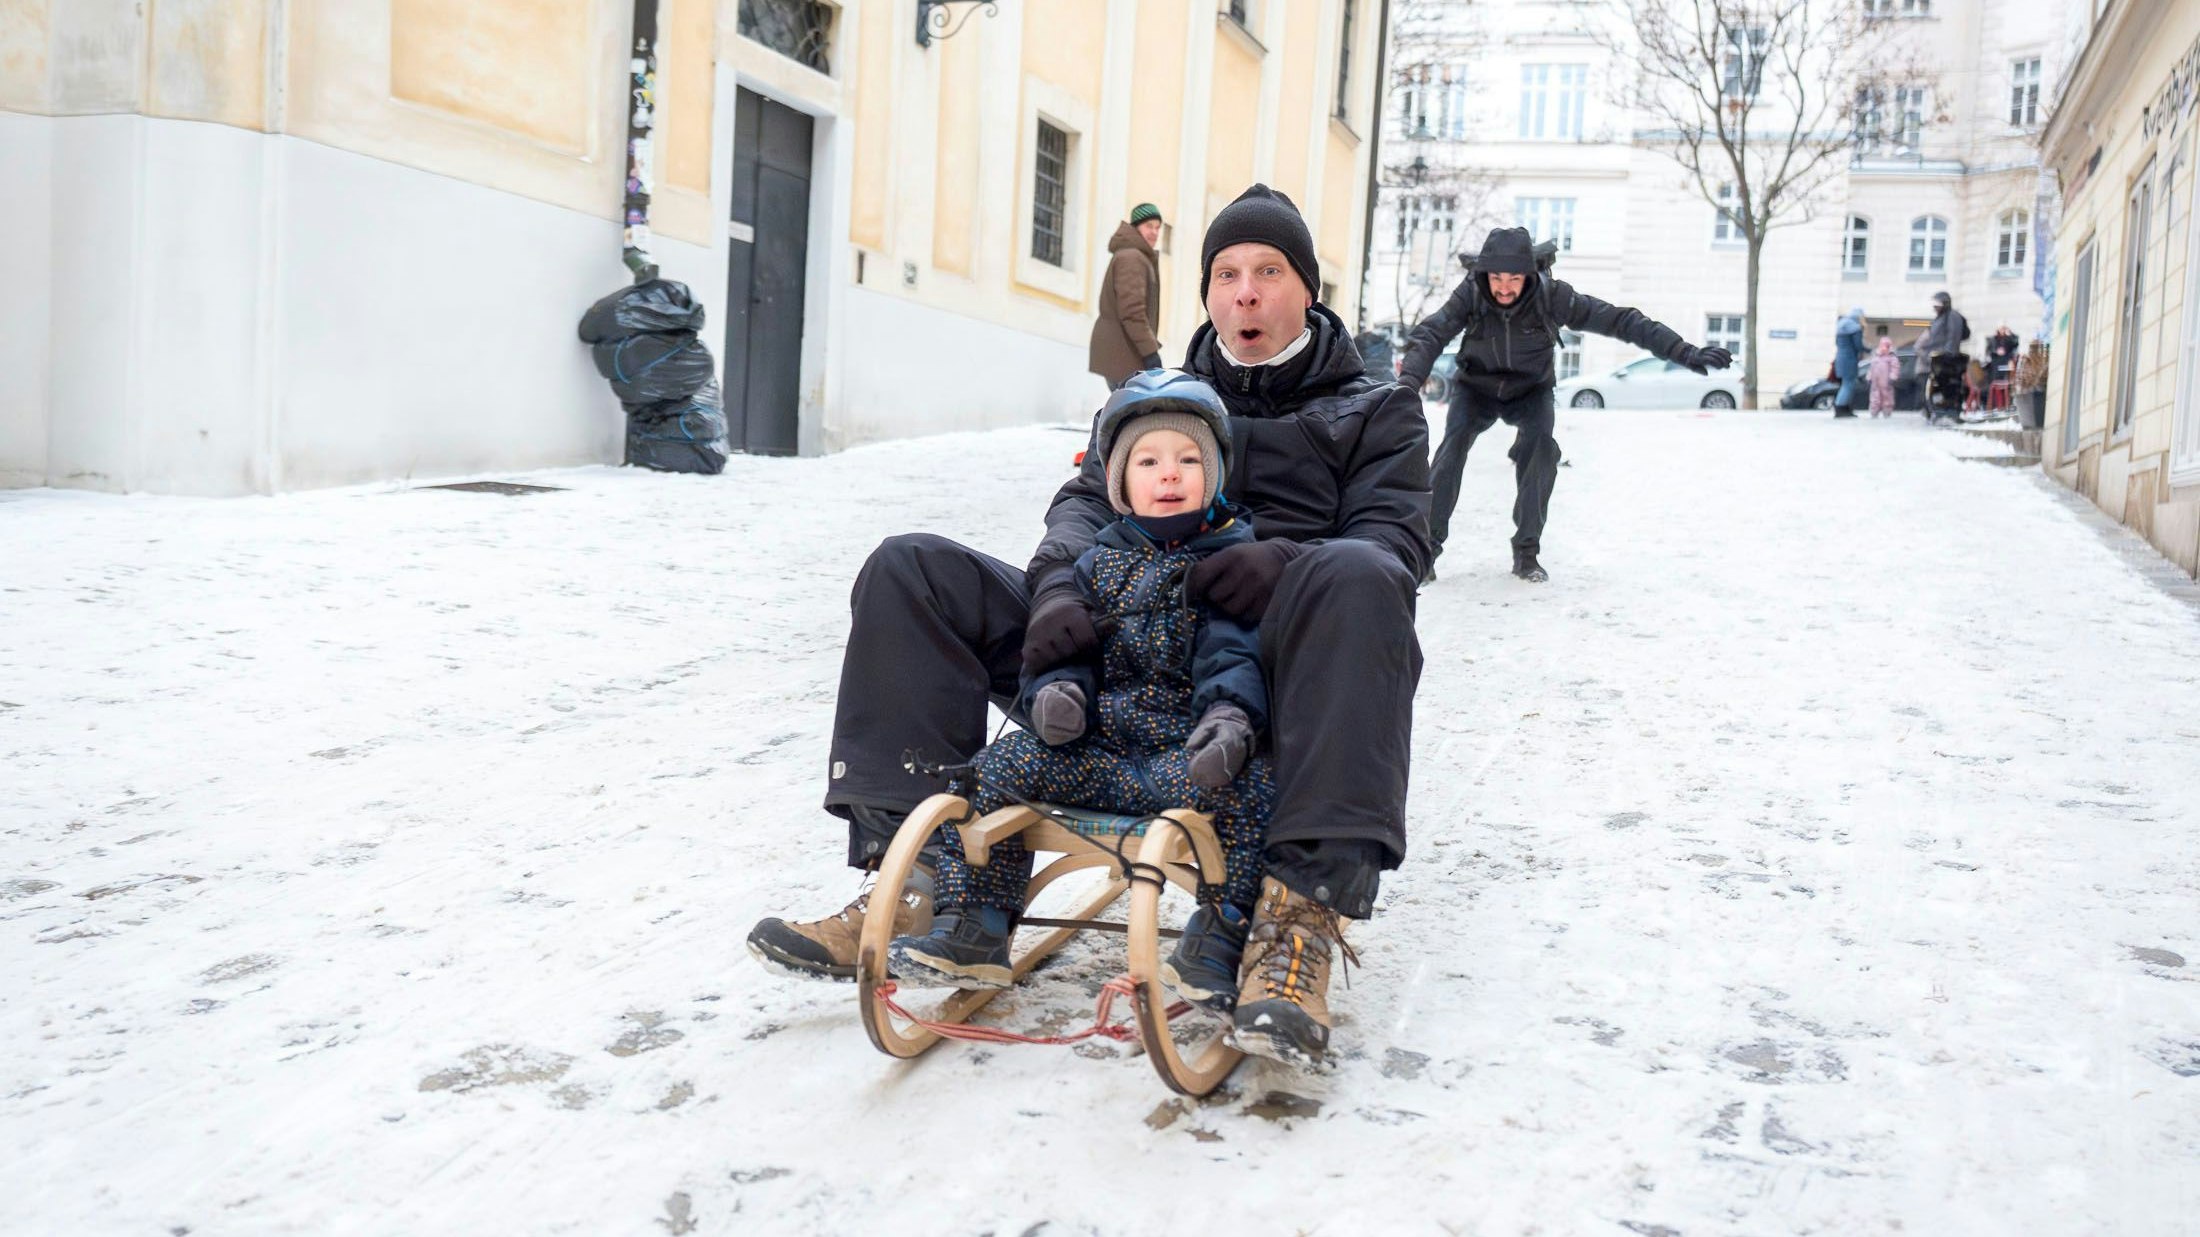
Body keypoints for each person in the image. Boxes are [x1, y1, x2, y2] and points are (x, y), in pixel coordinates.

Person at [747, 183, 1430, 1072]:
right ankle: (914, 877)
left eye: (1269, 272)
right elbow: (1077, 506)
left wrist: (1288, 562)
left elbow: (1394, 544)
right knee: (908, 567)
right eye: (1226, 274)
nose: (1246, 293)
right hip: (1119, 643)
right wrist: (1061, 588)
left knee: (1364, 576)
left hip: (1258, 663)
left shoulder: (1375, 411)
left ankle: (1297, 915)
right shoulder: (1157, 398)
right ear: (1207, 291)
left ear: (1308, 289)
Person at [888, 373, 1274, 1021]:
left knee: (1257, 787)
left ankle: (1223, 927)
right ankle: (977, 917)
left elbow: (1234, 653)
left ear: (1214, 476)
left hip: (1183, 759)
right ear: (1120, 483)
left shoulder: (1226, 562)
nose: (1169, 474)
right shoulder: (1093, 562)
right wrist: (1057, 693)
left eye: (1188, 460)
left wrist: (1227, 720)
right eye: (1148, 461)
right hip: (1096, 752)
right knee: (992, 770)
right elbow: (1067, 647)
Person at [1397, 226, 1733, 583]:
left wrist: (1682, 351)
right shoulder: (1471, 294)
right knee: (1450, 452)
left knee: (1540, 451)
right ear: (1484, 275)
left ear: (1530, 275)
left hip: (1531, 390)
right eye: (1496, 278)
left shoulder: (1551, 296)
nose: (1504, 288)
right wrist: (1408, 383)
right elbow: (1431, 333)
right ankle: (1426, 552)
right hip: (1476, 387)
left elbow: (1622, 320)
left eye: (1514, 278)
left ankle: (1527, 553)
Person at [1089, 204, 1166, 390]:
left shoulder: (1136, 256)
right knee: (1130, 413)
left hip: (1124, 351)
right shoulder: (1132, 258)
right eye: (1149, 226)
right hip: (1123, 352)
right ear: (1136, 227)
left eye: (1157, 228)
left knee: (1127, 410)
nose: (1154, 232)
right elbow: (1132, 311)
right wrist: (1150, 353)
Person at [1919, 290, 1970, 424]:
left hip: (1947, 359)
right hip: (1938, 357)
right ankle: (1939, 410)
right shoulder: (1940, 318)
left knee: (1950, 385)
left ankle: (1950, 410)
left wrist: (1948, 354)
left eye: (1938, 303)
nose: (1935, 306)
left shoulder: (1952, 316)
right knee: (1940, 385)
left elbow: (1953, 335)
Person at [1833, 306, 1865, 418]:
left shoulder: (1841, 325)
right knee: (1848, 385)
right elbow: (1859, 346)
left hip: (1840, 358)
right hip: (1850, 359)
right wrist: (1870, 349)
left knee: (1845, 384)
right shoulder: (1855, 328)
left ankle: (1842, 408)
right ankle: (1841, 408)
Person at [1985, 323, 2020, 410]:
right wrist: (1996, 351)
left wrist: (2010, 334)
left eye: (2004, 329)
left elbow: (2015, 343)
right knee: (1996, 380)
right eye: (2001, 328)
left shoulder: (2009, 339)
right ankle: (1999, 405)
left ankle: (2005, 404)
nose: (2002, 331)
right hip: (1996, 364)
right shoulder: (1993, 339)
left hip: (2006, 363)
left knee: (2007, 379)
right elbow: (1988, 351)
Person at [1867, 336, 1901, 418]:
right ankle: (1874, 412)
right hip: (1875, 383)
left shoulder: (1892, 358)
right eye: (1882, 345)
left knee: (1887, 397)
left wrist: (1893, 377)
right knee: (1875, 397)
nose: (1883, 348)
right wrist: (1869, 377)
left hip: (1886, 382)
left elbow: (1895, 369)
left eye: (1886, 346)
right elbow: (1871, 369)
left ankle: (1887, 412)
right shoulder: (1876, 358)